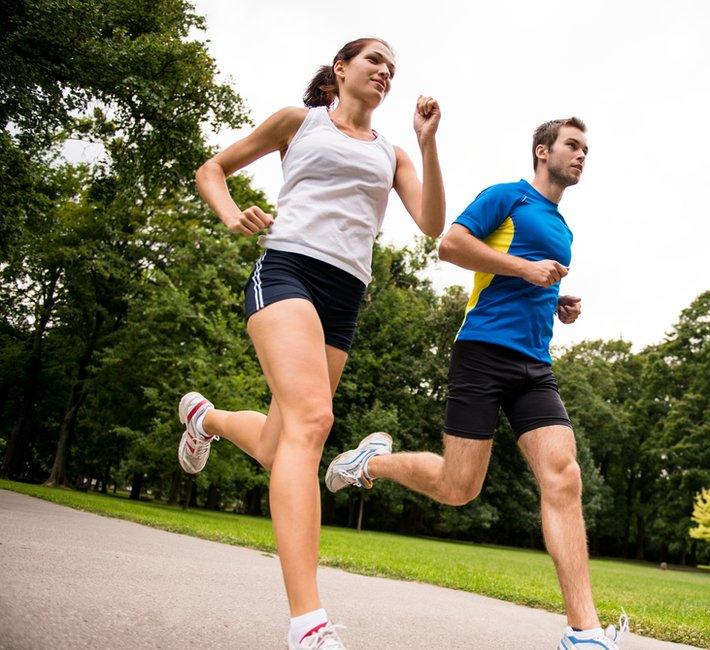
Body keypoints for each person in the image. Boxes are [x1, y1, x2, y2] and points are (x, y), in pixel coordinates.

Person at [178, 37, 445, 650]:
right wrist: (229, 214)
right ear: (341, 69)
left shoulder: (393, 152)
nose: (385, 70)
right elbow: (211, 169)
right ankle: (309, 626)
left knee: (281, 446)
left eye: (393, 67)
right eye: (374, 59)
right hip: (288, 270)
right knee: (313, 421)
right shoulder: (299, 123)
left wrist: (428, 147)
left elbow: (431, 223)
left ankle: (206, 418)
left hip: (345, 297)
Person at [325, 117, 629, 649]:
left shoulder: (564, 227)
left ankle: (585, 633)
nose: (582, 155)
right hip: (482, 353)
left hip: (535, 364)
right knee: (458, 488)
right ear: (543, 151)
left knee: (564, 477)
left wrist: (555, 303)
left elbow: (524, 282)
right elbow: (450, 245)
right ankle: (367, 464)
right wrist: (523, 269)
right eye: (573, 145)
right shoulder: (505, 197)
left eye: (587, 149)